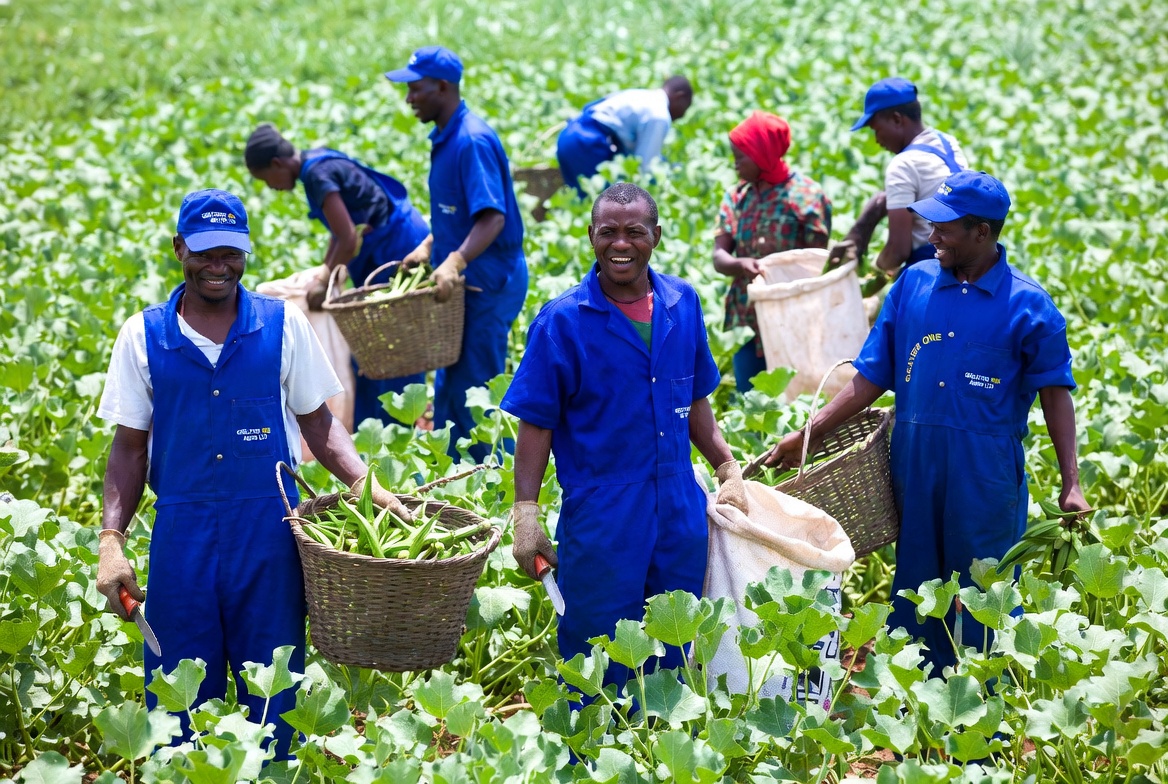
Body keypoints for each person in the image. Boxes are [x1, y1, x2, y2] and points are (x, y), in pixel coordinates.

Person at [94, 189, 404, 756]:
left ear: (245, 252)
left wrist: (364, 483)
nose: (219, 266)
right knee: (179, 695)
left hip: (269, 539)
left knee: (276, 690)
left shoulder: (283, 325)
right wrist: (111, 540)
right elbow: (129, 449)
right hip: (181, 542)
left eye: (230, 253)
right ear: (179, 249)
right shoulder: (143, 336)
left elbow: (318, 422)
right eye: (205, 253)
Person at [767, 171, 1089, 675]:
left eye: (945, 227)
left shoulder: (1029, 306)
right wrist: (811, 434)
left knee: (984, 589)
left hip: (985, 473)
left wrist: (1072, 483)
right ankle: (916, 693)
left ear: (982, 232)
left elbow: (1055, 393)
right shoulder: (912, 284)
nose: (932, 235)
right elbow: (871, 376)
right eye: (931, 224)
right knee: (917, 583)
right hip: (915, 463)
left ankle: (985, 699)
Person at [501, 183, 748, 688]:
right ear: (590, 235)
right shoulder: (562, 321)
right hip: (603, 514)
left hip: (679, 507)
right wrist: (526, 513)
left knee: (676, 649)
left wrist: (726, 465)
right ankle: (596, 739)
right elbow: (536, 424)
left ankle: (663, 735)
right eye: (607, 232)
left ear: (656, 235)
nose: (620, 244)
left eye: (634, 232)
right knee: (599, 651)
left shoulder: (683, 302)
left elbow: (694, 398)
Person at [385, 46, 529, 463]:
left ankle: (497, 479)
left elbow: (492, 218)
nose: (409, 99)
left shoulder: (471, 141)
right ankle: (452, 478)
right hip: (465, 282)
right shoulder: (446, 137)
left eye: (416, 89)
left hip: (490, 281)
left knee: (476, 393)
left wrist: (455, 261)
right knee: (450, 386)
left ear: (443, 88)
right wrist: (430, 247)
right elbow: (460, 212)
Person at [244, 124, 431, 428]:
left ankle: (394, 428)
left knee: (394, 352)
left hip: (401, 249)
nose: (271, 187)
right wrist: (325, 271)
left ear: (277, 164)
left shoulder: (318, 176)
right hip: (393, 244)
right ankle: (369, 430)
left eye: (267, 179)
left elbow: (347, 238)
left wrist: (324, 281)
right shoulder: (317, 161)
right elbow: (340, 231)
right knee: (371, 353)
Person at [713, 111, 832, 392]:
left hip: (795, 314)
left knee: (797, 393)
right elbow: (719, 256)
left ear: (761, 154)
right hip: (747, 314)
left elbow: (815, 263)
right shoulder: (736, 197)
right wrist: (740, 264)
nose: (735, 164)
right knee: (749, 396)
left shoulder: (807, 196)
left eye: (740, 157)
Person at [828, 77, 968, 281]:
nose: (877, 140)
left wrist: (871, 274)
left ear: (896, 119)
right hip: (970, 261)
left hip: (934, 268)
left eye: (876, 129)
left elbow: (898, 250)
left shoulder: (903, 164)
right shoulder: (947, 142)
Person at [556, 76, 694, 197]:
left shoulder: (641, 95)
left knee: (581, 200)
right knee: (601, 206)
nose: (683, 115)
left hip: (568, 137)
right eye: (686, 107)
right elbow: (645, 167)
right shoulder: (659, 115)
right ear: (679, 96)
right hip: (586, 143)